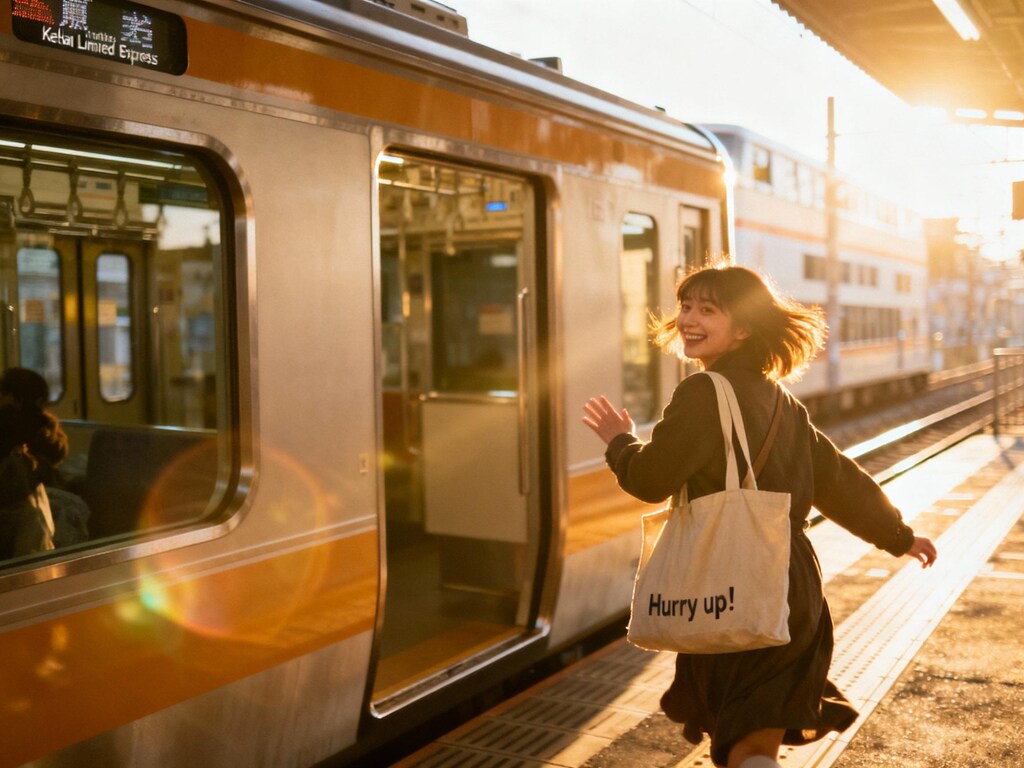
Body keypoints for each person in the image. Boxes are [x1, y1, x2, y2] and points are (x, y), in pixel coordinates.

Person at [582, 263, 937, 768]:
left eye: (708, 309)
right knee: (753, 743)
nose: (688, 319)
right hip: (791, 586)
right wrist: (900, 537)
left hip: (729, 579)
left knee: (739, 742)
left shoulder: (702, 393)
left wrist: (619, 443)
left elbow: (650, 480)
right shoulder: (784, 404)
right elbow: (839, 483)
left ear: (743, 328)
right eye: (685, 306)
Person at [0, 367, 89, 547]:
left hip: (26, 491)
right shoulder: (14, 423)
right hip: (21, 497)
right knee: (71, 507)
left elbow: (56, 451)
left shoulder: (34, 421)